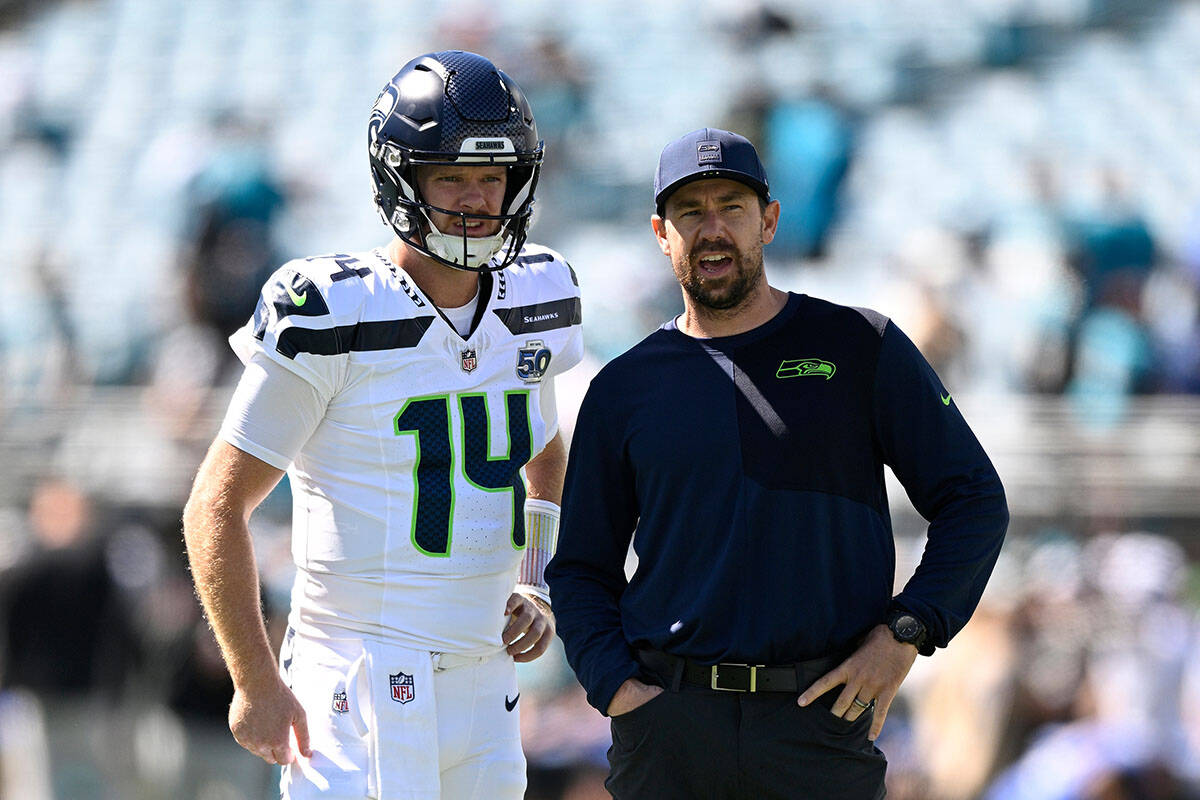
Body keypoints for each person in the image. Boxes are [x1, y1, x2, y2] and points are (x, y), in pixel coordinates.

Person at [545, 128, 1008, 799]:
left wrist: (907, 631)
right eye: (689, 212)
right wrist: (616, 687)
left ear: (768, 221)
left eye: (731, 208)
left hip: (820, 720)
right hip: (671, 729)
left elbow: (973, 499)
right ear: (660, 233)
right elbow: (581, 568)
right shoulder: (623, 387)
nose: (712, 230)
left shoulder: (860, 345)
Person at [182, 50, 583, 800]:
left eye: (492, 176)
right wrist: (255, 679)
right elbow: (216, 505)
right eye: (451, 176)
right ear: (403, 179)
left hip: (486, 681)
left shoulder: (540, 294)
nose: (476, 199)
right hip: (358, 677)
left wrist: (537, 582)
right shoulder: (333, 309)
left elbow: (545, 455)